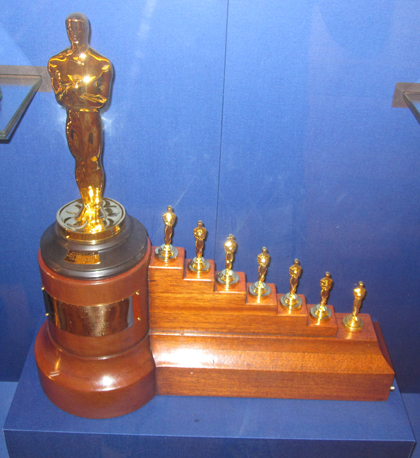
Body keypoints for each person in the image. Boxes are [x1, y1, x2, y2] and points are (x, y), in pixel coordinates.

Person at [48, 13, 113, 230]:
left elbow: (101, 100)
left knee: (92, 161)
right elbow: (60, 98)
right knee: (80, 162)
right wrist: (82, 91)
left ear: (87, 30)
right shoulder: (57, 62)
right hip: (73, 119)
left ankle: (95, 206)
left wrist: (74, 91)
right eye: (70, 28)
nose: (74, 33)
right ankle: (87, 204)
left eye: (78, 28)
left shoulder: (102, 64)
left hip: (91, 120)